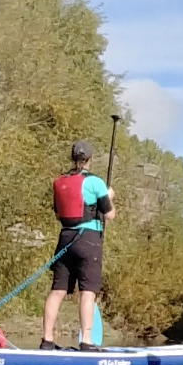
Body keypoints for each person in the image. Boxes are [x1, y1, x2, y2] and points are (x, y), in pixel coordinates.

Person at [41, 141, 115, 351]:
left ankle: (47, 340)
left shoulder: (59, 182)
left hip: (65, 239)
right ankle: (86, 342)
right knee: (88, 292)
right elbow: (109, 215)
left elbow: (58, 215)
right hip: (88, 240)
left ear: (72, 158)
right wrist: (109, 196)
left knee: (57, 290)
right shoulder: (95, 182)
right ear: (90, 159)